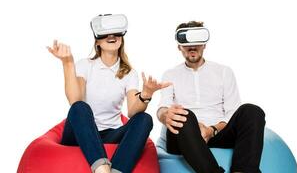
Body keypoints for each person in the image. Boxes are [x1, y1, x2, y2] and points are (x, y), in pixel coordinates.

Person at [47, 14, 170, 173]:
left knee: (144, 119)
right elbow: (74, 99)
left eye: (116, 33)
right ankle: (101, 168)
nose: (112, 36)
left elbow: (133, 111)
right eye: (106, 33)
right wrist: (68, 62)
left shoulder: (129, 73)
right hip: (82, 134)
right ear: (97, 41)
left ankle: (117, 171)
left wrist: (146, 94)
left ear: (122, 38)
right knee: (80, 107)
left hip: (111, 133)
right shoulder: (86, 65)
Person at [156, 21, 266, 173]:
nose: (192, 47)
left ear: (205, 44)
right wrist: (165, 115)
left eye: (197, 42)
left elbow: (231, 113)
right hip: (184, 137)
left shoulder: (224, 72)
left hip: (217, 133)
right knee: (185, 115)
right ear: (179, 46)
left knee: (252, 111)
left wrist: (210, 130)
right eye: (186, 42)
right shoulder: (170, 74)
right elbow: (163, 107)